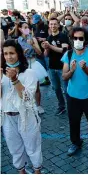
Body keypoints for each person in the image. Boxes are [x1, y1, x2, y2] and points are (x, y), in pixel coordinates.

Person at [1, 39, 42, 174]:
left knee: (33, 146)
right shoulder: (2, 74)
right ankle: (21, 171)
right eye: (5, 53)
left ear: (18, 53)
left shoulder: (29, 73)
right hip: (8, 117)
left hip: (27, 117)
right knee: (15, 148)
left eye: (11, 53)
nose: (9, 57)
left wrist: (14, 80)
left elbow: (28, 99)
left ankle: (37, 171)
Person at [61, 27, 88, 156]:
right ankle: (76, 142)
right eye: (75, 38)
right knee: (74, 121)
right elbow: (64, 76)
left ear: (85, 40)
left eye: (81, 38)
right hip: (73, 96)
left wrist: (85, 69)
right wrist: (72, 70)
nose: (78, 40)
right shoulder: (68, 55)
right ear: (72, 39)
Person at [17, 21, 47, 115]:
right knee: (23, 87)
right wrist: (22, 53)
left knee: (36, 87)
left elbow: (39, 53)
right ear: (20, 29)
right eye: (25, 27)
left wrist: (33, 45)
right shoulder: (17, 41)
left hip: (34, 63)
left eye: (28, 27)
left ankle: (38, 105)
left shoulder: (32, 38)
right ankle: (26, 105)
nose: (27, 29)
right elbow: (17, 55)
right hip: (23, 65)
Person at [42, 18, 70, 115]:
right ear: (49, 26)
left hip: (62, 67)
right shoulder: (49, 38)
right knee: (56, 89)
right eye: (51, 24)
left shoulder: (63, 36)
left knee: (66, 90)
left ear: (58, 25)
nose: (53, 26)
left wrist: (49, 46)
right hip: (52, 67)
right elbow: (46, 55)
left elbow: (64, 50)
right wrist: (46, 48)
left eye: (55, 24)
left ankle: (71, 106)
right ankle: (61, 106)